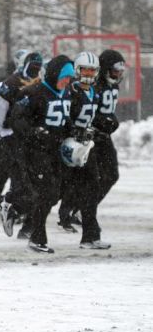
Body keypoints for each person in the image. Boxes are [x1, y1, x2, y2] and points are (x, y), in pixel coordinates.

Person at [10, 55, 74, 253]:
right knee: (46, 192)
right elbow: (16, 119)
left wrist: (74, 134)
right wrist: (34, 132)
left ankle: (14, 205)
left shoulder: (66, 93)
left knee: (56, 192)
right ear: (54, 74)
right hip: (34, 151)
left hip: (55, 151)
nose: (67, 81)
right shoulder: (33, 92)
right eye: (65, 77)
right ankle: (37, 236)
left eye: (70, 78)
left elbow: (65, 119)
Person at [0, 52, 43, 240]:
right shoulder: (10, 84)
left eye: (38, 68)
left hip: (28, 136)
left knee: (31, 178)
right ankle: (1, 202)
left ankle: (16, 208)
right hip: (10, 135)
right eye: (32, 67)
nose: (34, 71)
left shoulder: (39, 84)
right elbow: (0, 110)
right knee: (14, 174)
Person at [84, 49, 126, 249]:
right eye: (116, 69)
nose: (119, 74)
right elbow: (89, 112)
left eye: (121, 70)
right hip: (91, 138)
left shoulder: (113, 87)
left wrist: (111, 122)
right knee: (81, 184)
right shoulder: (95, 86)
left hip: (104, 138)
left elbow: (108, 112)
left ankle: (82, 209)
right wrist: (103, 122)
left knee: (111, 175)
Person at [57, 52, 100, 233]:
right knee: (64, 182)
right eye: (85, 70)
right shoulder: (70, 91)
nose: (89, 74)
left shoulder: (93, 92)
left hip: (84, 145)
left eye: (92, 71)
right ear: (77, 70)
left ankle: (73, 215)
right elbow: (64, 116)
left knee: (89, 182)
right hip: (69, 142)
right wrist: (72, 129)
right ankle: (25, 213)